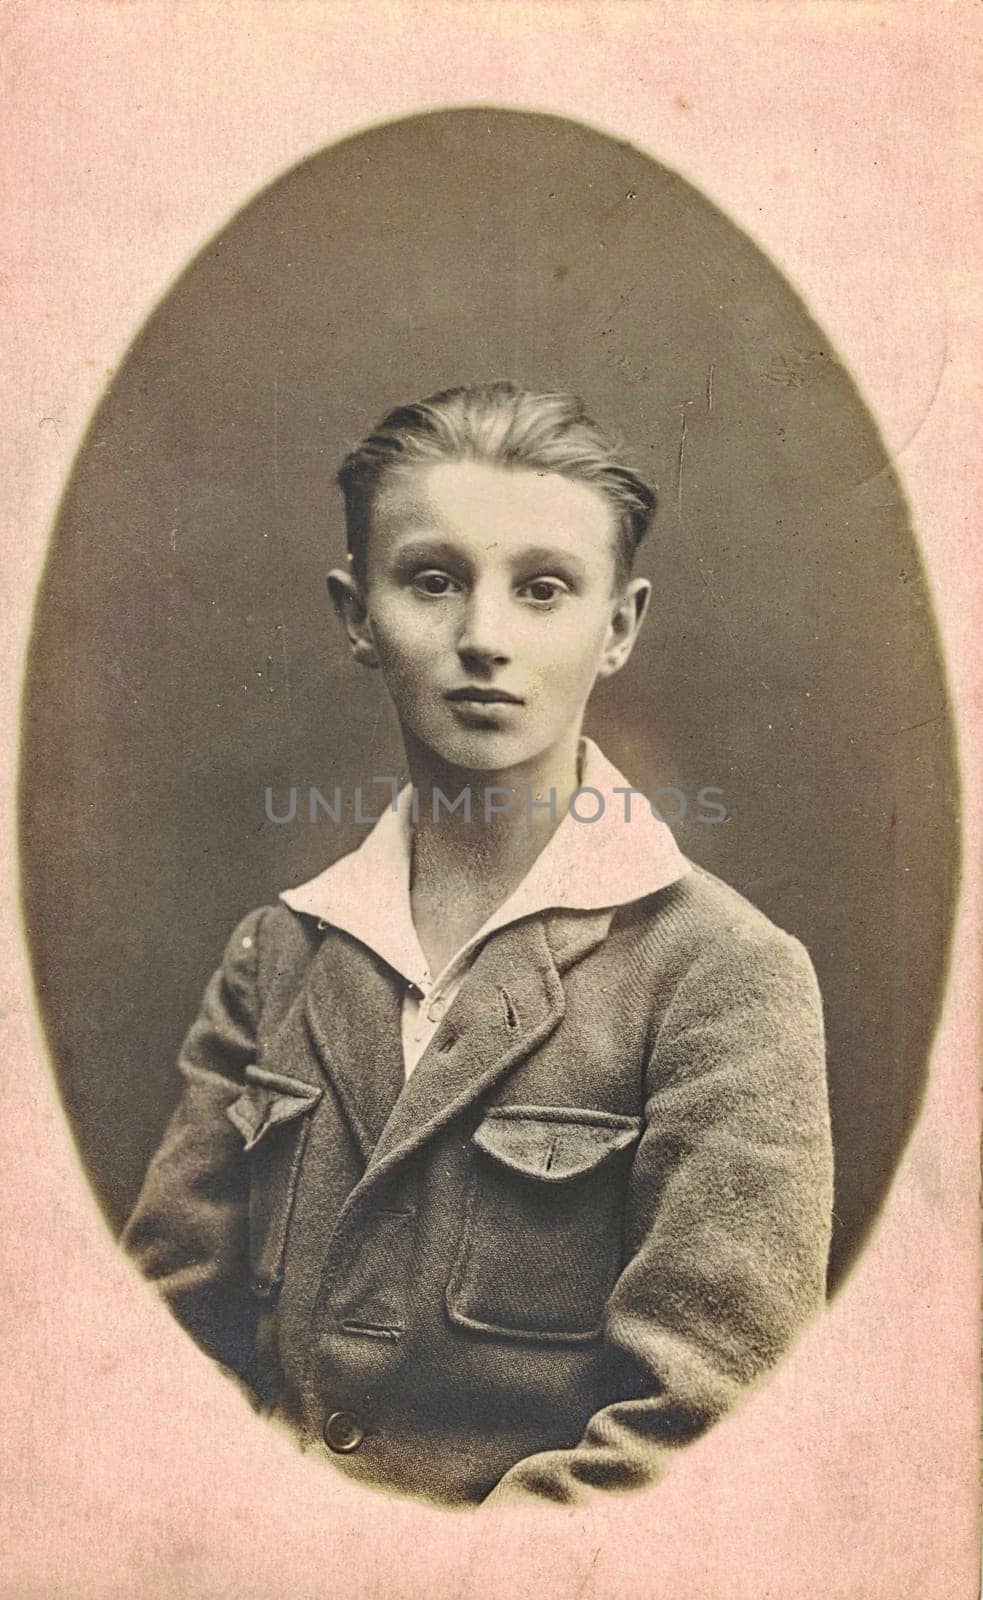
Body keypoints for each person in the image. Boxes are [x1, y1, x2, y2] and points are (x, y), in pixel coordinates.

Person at [122, 382, 834, 1507]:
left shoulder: (719, 975)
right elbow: (154, 1355)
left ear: (618, 626)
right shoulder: (279, 955)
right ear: (358, 613)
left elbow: (699, 1428)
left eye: (541, 589)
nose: (482, 639)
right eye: (432, 579)